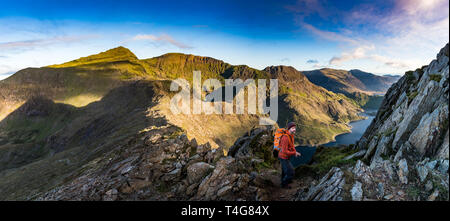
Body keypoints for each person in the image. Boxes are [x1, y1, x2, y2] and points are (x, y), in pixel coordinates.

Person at [278, 122, 301, 188]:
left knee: (285, 170)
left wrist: (295, 151)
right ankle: (284, 184)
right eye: (293, 128)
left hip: (285, 157)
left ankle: (283, 180)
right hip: (283, 157)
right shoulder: (285, 138)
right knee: (291, 172)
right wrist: (294, 153)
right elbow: (285, 151)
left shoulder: (291, 136)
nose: (294, 129)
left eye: (295, 128)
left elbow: (292, 146)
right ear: (289, 129)